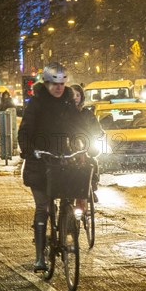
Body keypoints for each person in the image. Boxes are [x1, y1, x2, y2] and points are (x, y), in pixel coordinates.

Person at [18, 63, 83, 272]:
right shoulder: (36, 104)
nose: (59, 88)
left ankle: (66, 229)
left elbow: (77, 126)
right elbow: (25, 132)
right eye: (54, 84)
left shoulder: (68, 103)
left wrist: (84, 144)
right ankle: (39, 257)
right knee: (43, 207)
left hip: (63, 160)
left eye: (62, 84)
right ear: (46, 83)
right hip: (39, 163)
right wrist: (30, 151)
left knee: (69, 197)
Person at [70, 84, 103, 202]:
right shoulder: (63, 114)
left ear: (82, 97)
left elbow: (96, 128)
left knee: (92, 162)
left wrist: (99, 133)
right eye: (72, 95)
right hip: (68, 147)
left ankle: (91, 188)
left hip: (87, 146)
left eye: (78, 95)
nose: (75, 98)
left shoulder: (87, 114)